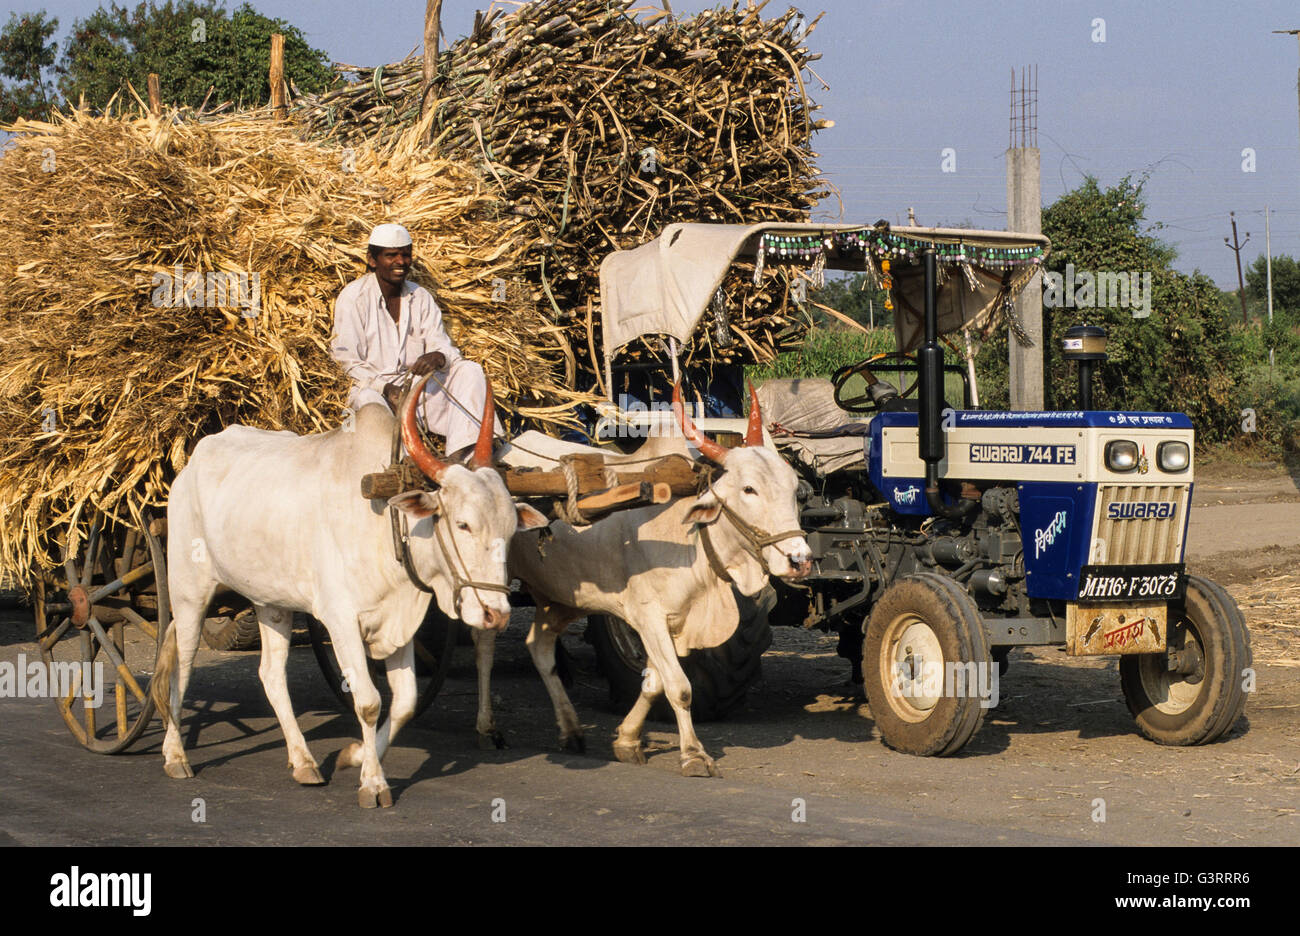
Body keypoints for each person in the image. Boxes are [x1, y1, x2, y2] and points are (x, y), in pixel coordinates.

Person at [330, 223, 502, 461]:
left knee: (470, 371)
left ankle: (464, 457)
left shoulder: (420, 297)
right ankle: (402, 460)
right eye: (391, 255)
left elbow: (442, 345)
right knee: (367, 403)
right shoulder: (353, 297)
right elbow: (345, 360)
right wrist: (387, 389)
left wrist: (438, 356)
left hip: (416, 390)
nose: (401, 261)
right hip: (375, 390)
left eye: (406, 254)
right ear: (372, 260)